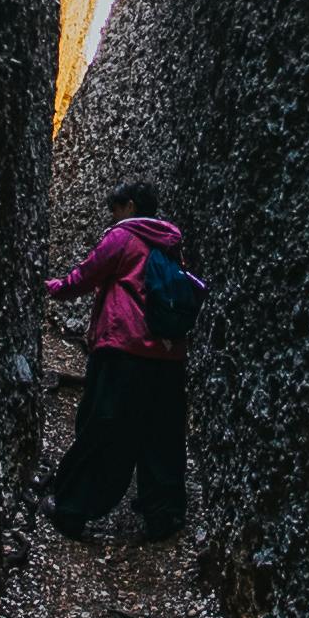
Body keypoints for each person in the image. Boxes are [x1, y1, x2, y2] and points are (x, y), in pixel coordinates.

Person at [44, 182, 193, 541]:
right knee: (161, 434)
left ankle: (72, 509)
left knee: (103, 427)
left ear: (129, 205)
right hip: (168, 355)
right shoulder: (170, 243)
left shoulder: (123, 237)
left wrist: (50, 286)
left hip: (123, 349)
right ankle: (164, 516)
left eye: (115, 207)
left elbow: (85, 276)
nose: (112, 215)